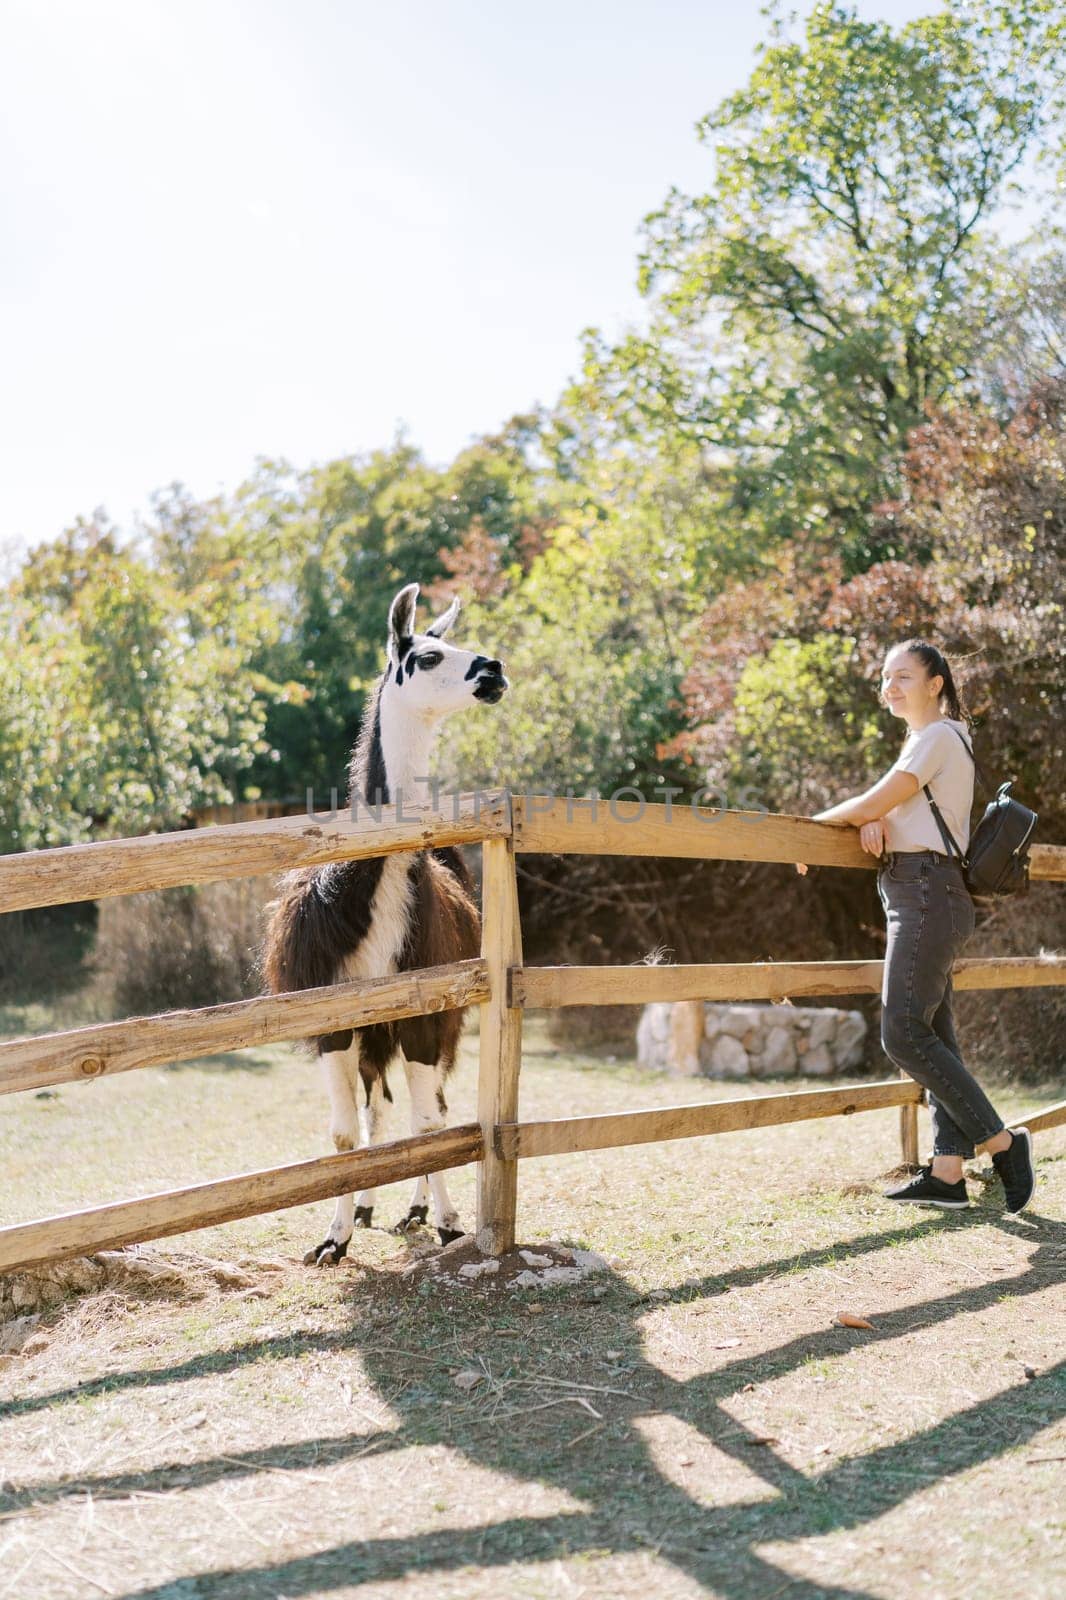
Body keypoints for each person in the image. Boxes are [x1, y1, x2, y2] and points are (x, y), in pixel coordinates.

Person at [796, 638, 1035, 1213]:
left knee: (902, 1032)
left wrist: (810, 830)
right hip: (922, 890)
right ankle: (947, 1174)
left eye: (904, 676)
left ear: (937, 683)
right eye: (885, 677)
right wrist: (871, 822)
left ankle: (1003, 1143)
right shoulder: (925, 742)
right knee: (937, 1035)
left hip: (926, 893)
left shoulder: (938, 737)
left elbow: (883, 796)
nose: (890, 686)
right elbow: (890, 806)